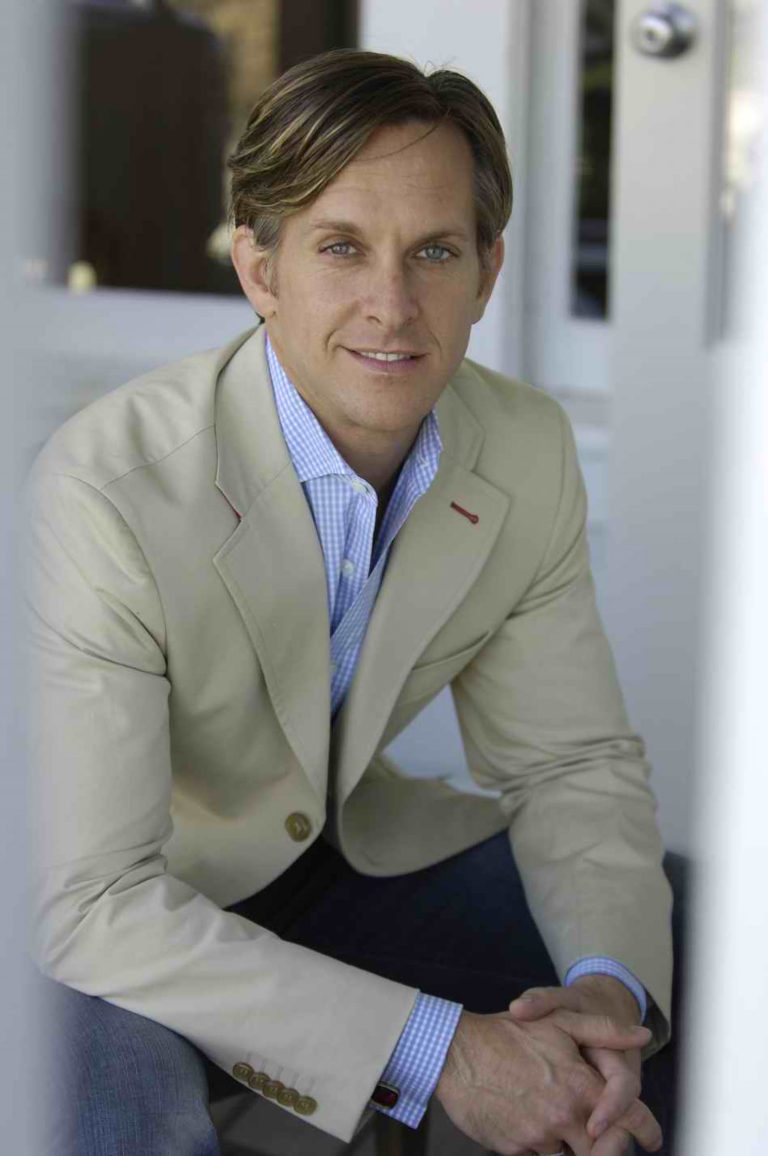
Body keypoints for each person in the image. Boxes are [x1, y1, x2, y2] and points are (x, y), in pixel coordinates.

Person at [24, 48, 678, 1156]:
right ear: (260, 269)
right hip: (96, 910)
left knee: (700, 947)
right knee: (122, 1123)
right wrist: (445, 1052)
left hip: (336, 855)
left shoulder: (524, 448)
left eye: (435, 252)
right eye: (341, 248)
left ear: (487, 271)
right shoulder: (106, 490)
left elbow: (568, 763)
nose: (393, 305)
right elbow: (92, 901)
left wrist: (605, 997)